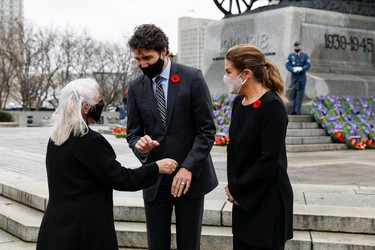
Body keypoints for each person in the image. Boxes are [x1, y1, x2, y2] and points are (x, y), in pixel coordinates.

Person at [36, 78, 178, 250]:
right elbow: (121, 179)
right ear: (85, 107)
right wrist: (157, 167)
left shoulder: (56, 139)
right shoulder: (90, 141)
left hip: (55, 228)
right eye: (97, 100)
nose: (100, 104)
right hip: (85, 232)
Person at [126, 24, 218, 250]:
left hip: (190, 177)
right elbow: (132, 133)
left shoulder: (192, 78)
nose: (143, 64)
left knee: (189, 244)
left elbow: (206, 131)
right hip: (155, 178)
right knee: (157, 244)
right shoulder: (136, 86)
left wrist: (188, 168)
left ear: (164, 50)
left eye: (147, 58)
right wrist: (141, 146)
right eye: (138, 59)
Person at [223, 44, 294, 250]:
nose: (226, 77)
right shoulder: (239, 103)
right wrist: (234, 187)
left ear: (246, 73)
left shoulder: (271, 106)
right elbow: (234, 151)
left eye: (229, 72)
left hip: (267, 199)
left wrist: (239, 188)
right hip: (243, 198)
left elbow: (268, 160)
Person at [285, 41, 310, 115]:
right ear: (294, 47)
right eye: (296, 46)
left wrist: (302, 68)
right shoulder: (291, 56)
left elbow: (307, 65)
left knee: (300, 94)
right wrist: (292, 69)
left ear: (301, 47)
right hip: (294, 77)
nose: (297, 48)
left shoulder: (304, 55)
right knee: (293, 93)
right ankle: (293, 109)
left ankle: (297, 109)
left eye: (298, 46)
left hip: (302, 77)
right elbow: (287, 64)